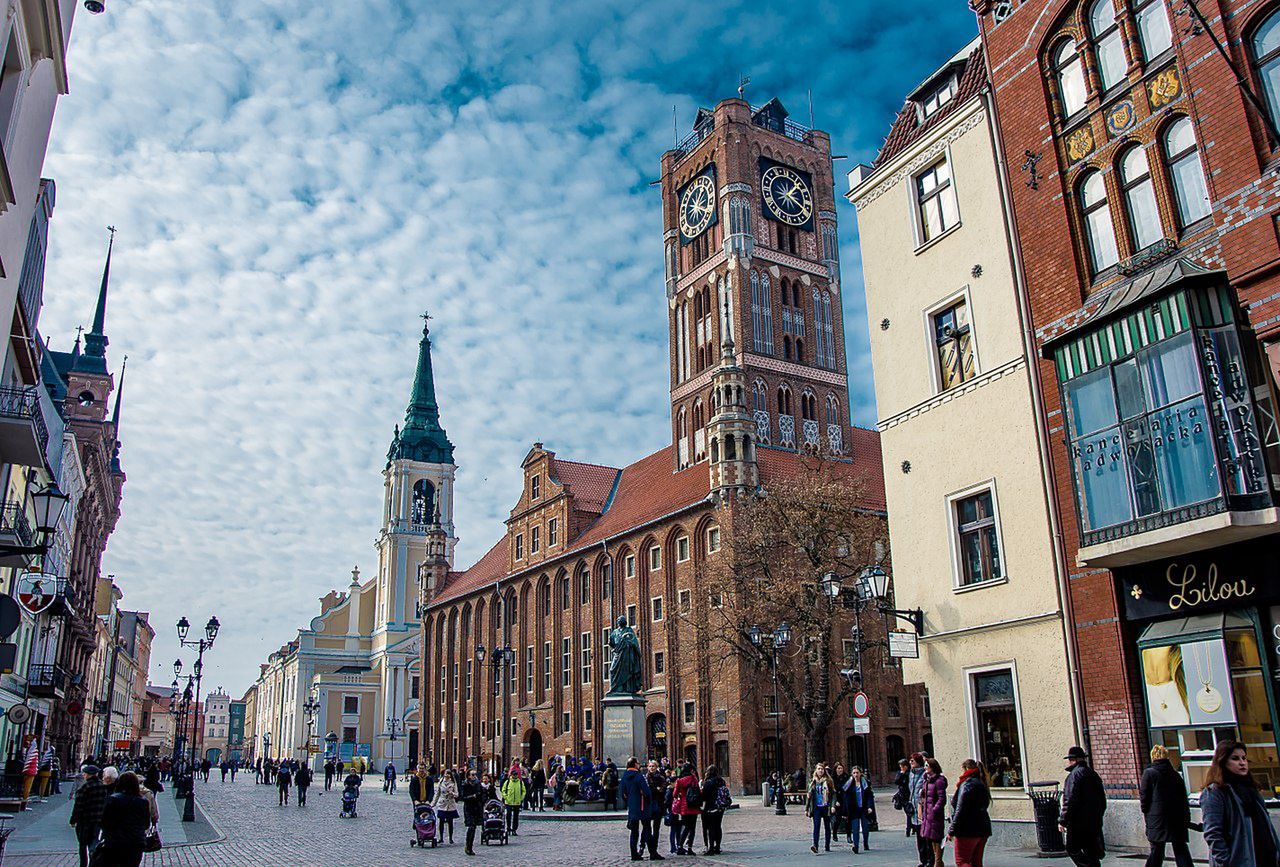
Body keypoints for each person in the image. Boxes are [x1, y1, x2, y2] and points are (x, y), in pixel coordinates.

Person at [1200, 739, 1280, 867]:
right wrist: (1225, 861)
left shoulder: (1251, 789)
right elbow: (1213, 833)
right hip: (1240, 861)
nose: (1242, 763)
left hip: (1265, 857)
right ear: (1223, 761)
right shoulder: (1215, 792)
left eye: (1244, 758)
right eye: (1235, 758)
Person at [1139, 745, 1192, 867]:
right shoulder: (1175, 775)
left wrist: (1146, 812)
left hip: (1157, 818)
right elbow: (1183, 798)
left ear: (1153, 757)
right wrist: (1186, 817)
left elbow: (1144, 797)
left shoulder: (1149, 773)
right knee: (1181, 849)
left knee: (1157, 850)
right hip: (1177, 818)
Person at [1059, 746, 1106, 867]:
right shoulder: (1092, 774)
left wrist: (1063, 820)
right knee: (1091, 851)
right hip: (1093, 821)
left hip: (1078, 822)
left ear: (1073, 760)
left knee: (1072, 848)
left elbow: (1069, 800)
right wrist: (1098, 815)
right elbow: (1102, 799)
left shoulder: (1074, 776)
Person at [97, 771, 150, 867]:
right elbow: (146, 823)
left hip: (116, 842)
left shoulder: (113, 799)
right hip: (136, 842)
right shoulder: (143, 801)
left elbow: (105, 822)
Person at [947, 759, 992, 867]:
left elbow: (960, 810)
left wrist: (951, 830)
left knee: (962, 861)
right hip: (982, 828)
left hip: (967, 830)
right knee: (976, 862)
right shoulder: (982, 783)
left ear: (966, 769)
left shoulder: (966, 784)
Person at [69, 765, 107, 867]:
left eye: (85, 774)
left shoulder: (84, 788)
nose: (84, 775)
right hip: (97, 819)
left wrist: (73, 820)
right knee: (93, 841)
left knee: (82, 844)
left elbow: (78, 806)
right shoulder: (103, 786)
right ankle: (93, 861)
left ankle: (83, 864)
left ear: (89, 775)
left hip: (85, 820)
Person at [620, 757, 652, 861]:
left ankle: (634, 854)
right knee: (647, 829)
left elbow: (622, 793)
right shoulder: (639, 776)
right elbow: (647, 791)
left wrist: (629, 801)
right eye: (638, 763)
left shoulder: (624, 776)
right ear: (634, 764)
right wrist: (648, 800)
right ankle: (652, 852)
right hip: (642, 806)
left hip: (632, 807)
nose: (639, 765)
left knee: (634, 832)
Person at [920, 758, 948, 867]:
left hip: (934, 815)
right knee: (930, 838)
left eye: (927, 766)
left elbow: (942, 798)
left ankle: (938, 861)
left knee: (936, 837)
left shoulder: (938, 780)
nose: (925, 768)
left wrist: (934, 810)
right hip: (928, 814)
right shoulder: (927, 780)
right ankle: (937, 861)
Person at [672, 763, 701, 856]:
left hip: (684, 807)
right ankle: (690, 848)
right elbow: (698, 791)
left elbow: (674, 795)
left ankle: (680, 846)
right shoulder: (693, 779)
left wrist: (681, 795)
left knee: (685, 827)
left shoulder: (679, 780)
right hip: (693, 805)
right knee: (692, 828)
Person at [699, 764, 729, 855]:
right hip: (720, 807)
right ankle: (718, 847)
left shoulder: (708, 782)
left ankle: (711, 848)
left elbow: (704, 796)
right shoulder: (721, 781)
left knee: (710, 827)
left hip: (710, 807)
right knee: (718, 826)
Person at [806, 764, 836, 854]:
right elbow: (809, 796)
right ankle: (815, 846)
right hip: (816, 807)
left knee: (827, 827)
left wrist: (833, 805)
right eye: (819, 769)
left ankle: (827, 845)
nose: (820, 771)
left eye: (822, 769)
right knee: (816, 827)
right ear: (816, 770)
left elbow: (833, 794)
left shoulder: (828, 781)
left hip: (826, 806)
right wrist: (807, 808)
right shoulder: (813, 782)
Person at [846, 765, 874, 853]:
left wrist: (870, 806)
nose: (855, 775)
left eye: (857, 773)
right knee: (855, 828)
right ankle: (856, 846)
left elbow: (869, 796)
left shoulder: (865, 783)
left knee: (865, 827)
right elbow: (846, 797)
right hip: (854, 809)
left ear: (860, 773)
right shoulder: (849, 784)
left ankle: (865, 842)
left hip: (864, 808)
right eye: (854, 773)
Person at [642, 760, 666, 861]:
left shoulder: (661, 778)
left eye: (653, 766)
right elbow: (647, 791)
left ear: (657, 767)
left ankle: (654, 851)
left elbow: (663, 789)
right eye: (650, 766)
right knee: (646, 829)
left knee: (656, 830)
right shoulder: (645, 778)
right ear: (648, 767)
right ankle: (642, 847)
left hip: (658, 806)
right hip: (648, 806)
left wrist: (656, 789)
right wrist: (656, 789)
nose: (651, 768)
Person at [433, 767, 460, 844]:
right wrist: (433, 803)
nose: (447, 775)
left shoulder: (453, 783)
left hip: (450, 804)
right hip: (442, 803)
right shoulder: (441, 782)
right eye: (446, 773)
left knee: (450, 822)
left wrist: (453, 794)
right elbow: (437, 794)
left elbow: (457, 794)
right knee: (441, 821)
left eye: (448, 774)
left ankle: (451, 838)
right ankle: (441, 837)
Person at [460, 768, 483, 856]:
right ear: (468, 776)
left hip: (476, 807)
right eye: (472, 775)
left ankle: (470, 846)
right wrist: (472, 796)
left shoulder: (478, 784)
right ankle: (468, 845)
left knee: (474, 827)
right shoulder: (465, 784)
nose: (474, 776)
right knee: (471, 826)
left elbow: (481, 794)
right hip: (468, 808)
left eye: (475, 774)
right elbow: (463, 797)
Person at [501, 764, 526, 835]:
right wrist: (506, 797)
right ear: (511, 775)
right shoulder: (508, 782)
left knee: (516, 816)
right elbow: (503, 790)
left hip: (517, 802)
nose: (515, 776)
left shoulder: (520, 782)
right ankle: (508, 828)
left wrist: (521, 798)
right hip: (509, 801)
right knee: (508, 815)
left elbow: (524, 791)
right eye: (514, 775)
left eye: (516, 775)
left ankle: (514, 829)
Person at [893, 758, 914, 836]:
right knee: (908, 812)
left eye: (902, 766)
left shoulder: (910, 773)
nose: (901, 768)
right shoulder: (900, 773)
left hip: (909, 795)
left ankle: (908, 830)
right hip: (902, 795)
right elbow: (896, 782)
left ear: (906, 766)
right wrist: (902, 774)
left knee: (909, 812)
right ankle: (912, 826)